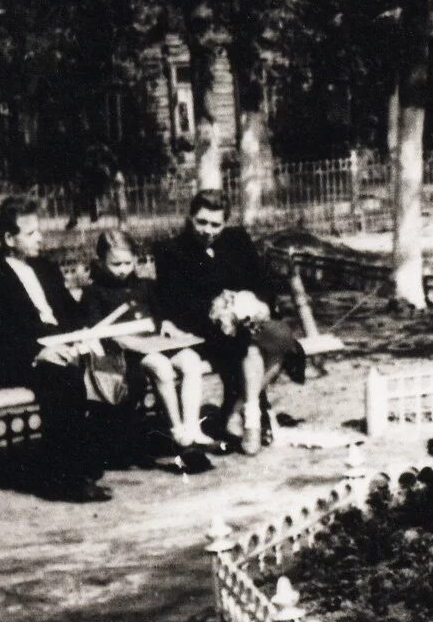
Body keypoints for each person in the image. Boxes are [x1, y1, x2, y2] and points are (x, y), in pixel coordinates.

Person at [0, 196, 112, 502]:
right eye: (31, 233)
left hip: (54, 350)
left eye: (38, 230)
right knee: (62, 380)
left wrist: (82, 335)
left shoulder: (45, 268)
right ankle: (65, 480)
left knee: (109, 367)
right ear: (9, 238)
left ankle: (90, 463)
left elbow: (69, 312)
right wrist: (36, 353)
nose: (40, 237)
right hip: (8, 362)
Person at [153, 190, 297, 454]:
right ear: (191, 217)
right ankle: (251, 421)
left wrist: (261, 303)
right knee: (251, 349)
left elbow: (261, 280)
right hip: (203, 328)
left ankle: (236, 409)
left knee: (284, 340)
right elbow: (175, 303)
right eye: (202, 222)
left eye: (216, 224)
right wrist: (219, 312)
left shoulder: (237, 240)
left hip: (245, 322)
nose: (208, 230)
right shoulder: (171, 251)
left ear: (225, 222)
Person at [80, 229, 215, 471]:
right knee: (162, 367)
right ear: (101, 262)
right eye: (115, 264)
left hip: (156, 342)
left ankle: (193, 426)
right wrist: (121, 338)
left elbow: (159, 316)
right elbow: (94, 329)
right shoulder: (95, 292)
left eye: (128, 263)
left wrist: (168, 326)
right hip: (127, 353)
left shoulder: (144, 286)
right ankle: (178, 432)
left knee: (192, 360)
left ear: (135, 260)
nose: (123, 269)